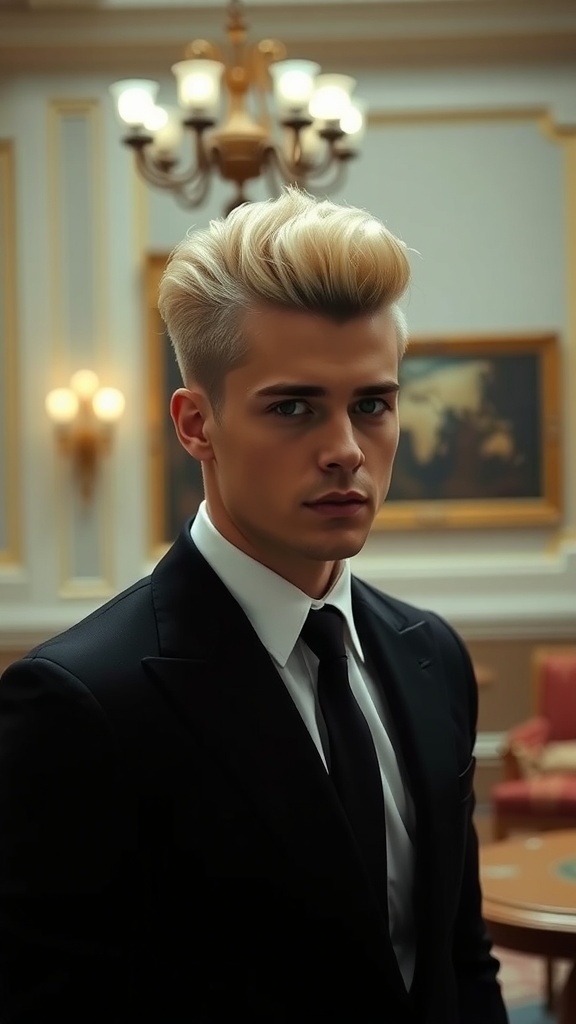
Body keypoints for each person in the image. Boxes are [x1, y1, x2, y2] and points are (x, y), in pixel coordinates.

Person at [0, 187, 508, 1023]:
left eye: (372, 404)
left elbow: (457, 957)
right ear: (197, 424)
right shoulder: (78, 703)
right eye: (295, 407)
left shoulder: (433, 656)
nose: (347, 450)